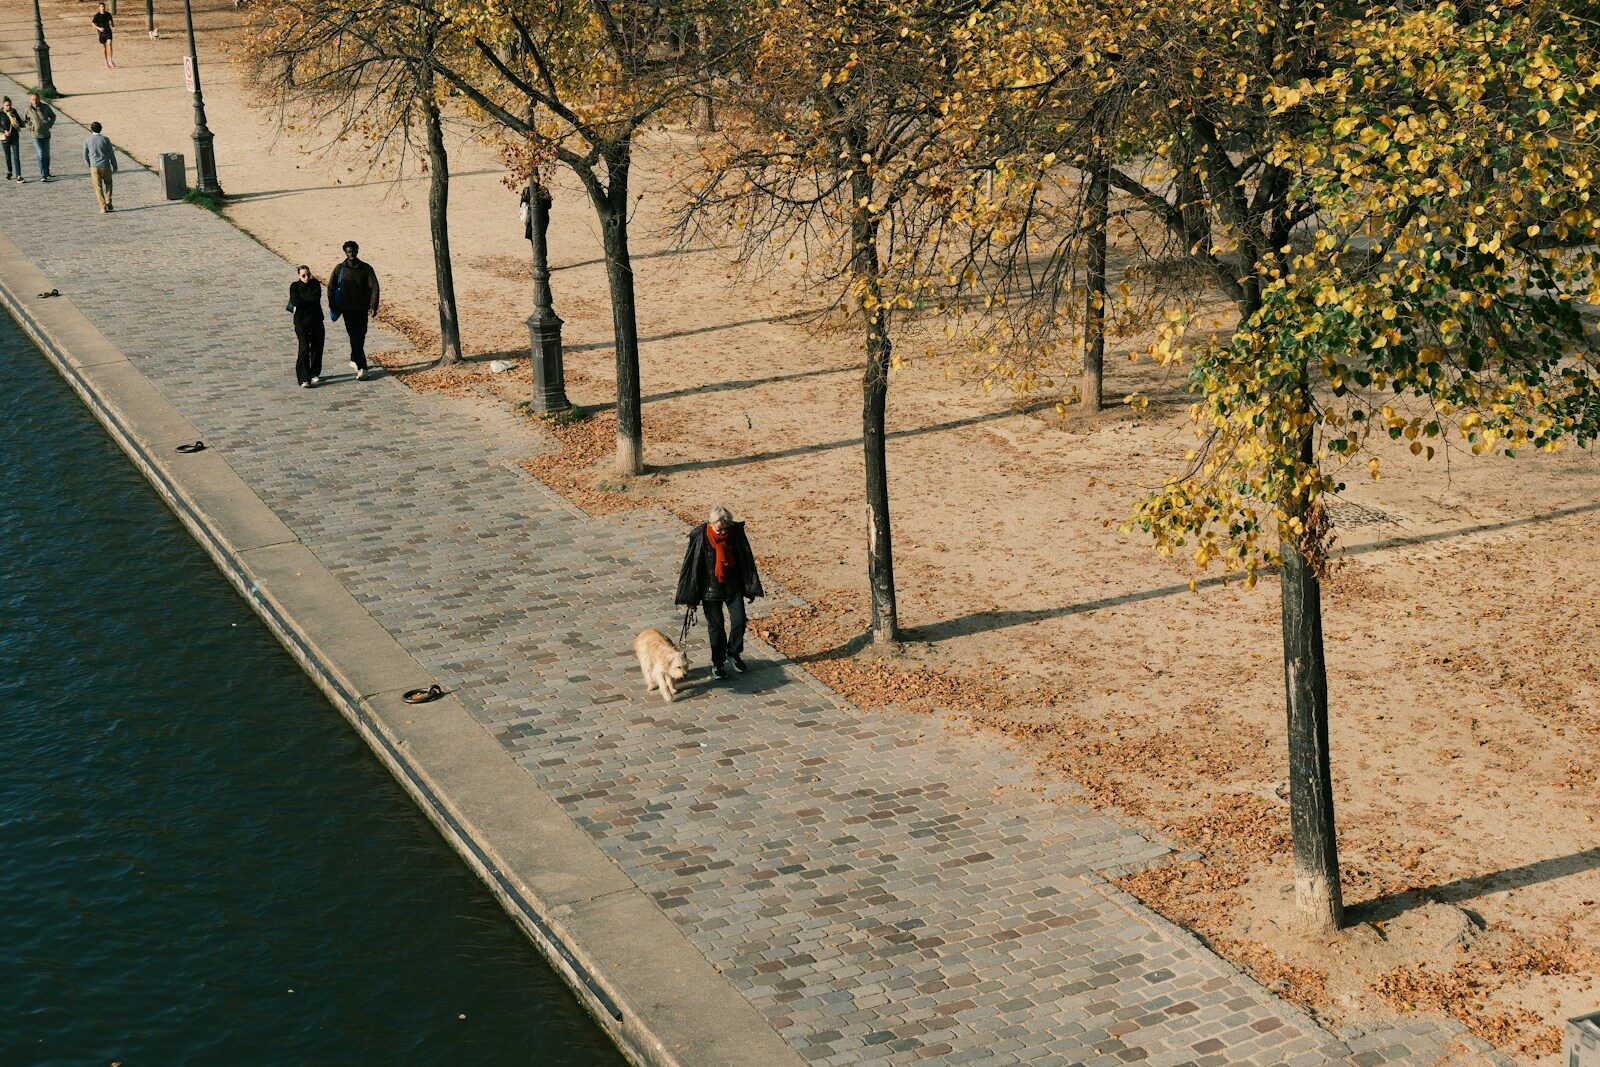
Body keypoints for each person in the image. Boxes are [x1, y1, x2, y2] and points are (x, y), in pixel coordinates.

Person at [675, 506, 764, 680]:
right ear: (711, 524)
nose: (723, 531)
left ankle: (733, 652)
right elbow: (692, 568)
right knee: (716, 628)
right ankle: (718, 662)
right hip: (710, 591)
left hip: (734, 587)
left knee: (739, 621)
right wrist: (691, 598)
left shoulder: (736, 534)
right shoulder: (700, 536)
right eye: (720, 528)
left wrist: (750, 588)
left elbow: (745, 561)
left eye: (726, 528)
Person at [328, 240, 379, 380]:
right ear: (345, 252)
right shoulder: (339, 269)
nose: (351, 254)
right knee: (354, 336)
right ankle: (362, 367)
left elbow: (374, 286)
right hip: (347, 309)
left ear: (357, 251)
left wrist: (373, 306)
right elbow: (331, 287)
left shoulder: (366, 268)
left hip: (362, 308)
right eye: (348, 251)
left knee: (361, 335)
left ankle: (354, 358)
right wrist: (333, 305)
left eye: (353, 251)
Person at [286, 266, 325, 388]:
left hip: (316, 320)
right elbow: (295, 301)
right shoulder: (294, 286)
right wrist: (307, 301)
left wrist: (303, 300)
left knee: (317, 348)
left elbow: (316, 297)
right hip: (301, 323)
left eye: (308, 274)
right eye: (303, 275)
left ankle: (314, 372)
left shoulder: (315, 284)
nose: (306, 277)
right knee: (303, 349)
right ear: (298, 276)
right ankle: (303, 378)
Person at [83, 122, 117, 212]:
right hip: (105, 165)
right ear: (100, 129)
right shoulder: (105, 139)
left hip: (94, 166)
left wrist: (88, 164)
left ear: (91, 129)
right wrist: (114, 165)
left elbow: (85, 154)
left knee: (98, 187)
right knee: (109, 183)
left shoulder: (87, 140)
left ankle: (102, 206)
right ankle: (108, 199)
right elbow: (111, 154)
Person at [24, 92, 55, 182]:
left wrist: (50, 124)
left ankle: (47, 171)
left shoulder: (45, 107)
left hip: (46, 134)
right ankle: (43, 175)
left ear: (39, 98)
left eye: (36, 99)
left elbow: (53, 116)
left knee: (47, 155)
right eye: (33, 99)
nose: (35, 101)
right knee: (41, 154)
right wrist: (30, 126)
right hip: (36, 135)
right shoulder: (28, 109)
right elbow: (25, 120)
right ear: (30, 100)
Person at [0, 98, 22, 182]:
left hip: (15, 137)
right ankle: (9, 172)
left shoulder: (14, 112)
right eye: (6, 105)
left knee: (16, 156)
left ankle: (18, 175)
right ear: (3, 105)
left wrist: (18, 122)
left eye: (10, 105)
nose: (8, 107)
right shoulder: (0, 114)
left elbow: (20, 123)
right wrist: (4, 130)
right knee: (8, 156)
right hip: (5, 138)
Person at [91, 3, 115, 68]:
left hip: (108, 32)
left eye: (104, 7)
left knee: (109, 45)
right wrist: (99, 28)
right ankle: (105, 61)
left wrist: (112, 25)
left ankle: (110, 60)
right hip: (101, 34)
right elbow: (92, 24)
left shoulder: (108, 14)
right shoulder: (97, 16)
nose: (103, 8)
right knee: (104, 48)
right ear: (99, 8)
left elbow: (112, 23)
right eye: (101, 7)